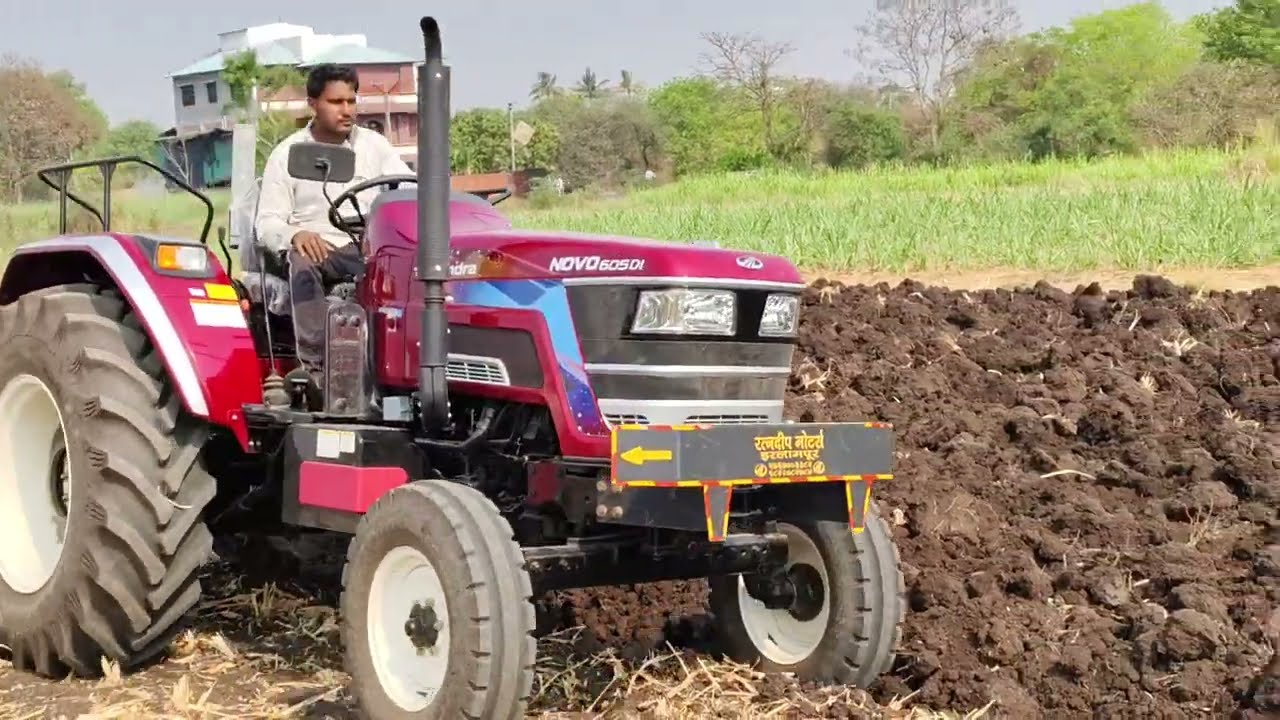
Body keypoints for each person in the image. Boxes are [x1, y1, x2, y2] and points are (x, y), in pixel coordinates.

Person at [255, 63, 412, 396]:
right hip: (318, 248)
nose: (346, 111)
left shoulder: (375, 147)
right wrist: (295, 234)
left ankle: (406, 366)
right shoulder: (286, 155)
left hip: (366, 247)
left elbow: (408, 190)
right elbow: (267, 223)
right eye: (336, 102)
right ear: (313, 103)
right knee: (302, 259)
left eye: (351, 102)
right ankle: (318, 369)